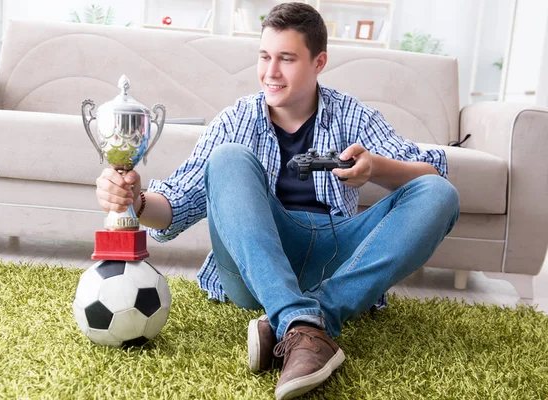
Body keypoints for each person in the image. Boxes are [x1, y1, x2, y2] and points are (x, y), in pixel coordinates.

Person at [96, 2, 460, 399]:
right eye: (265, 56)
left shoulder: (351, 115)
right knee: (229, 158)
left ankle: (301, 320)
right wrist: (135, 197)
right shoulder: (237, 119)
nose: (271, 72)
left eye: (286, 59)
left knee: (440, 194)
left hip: (336, 251)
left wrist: (378, 169)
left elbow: (433, 171)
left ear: (319, 61)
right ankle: (303, 321)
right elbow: (178, 205)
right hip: (256, 264)